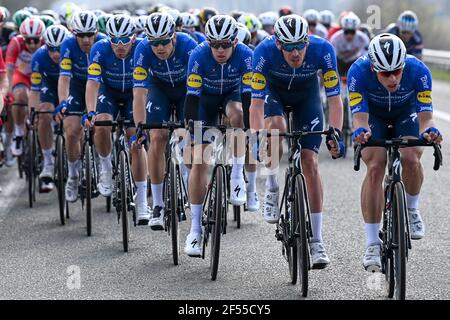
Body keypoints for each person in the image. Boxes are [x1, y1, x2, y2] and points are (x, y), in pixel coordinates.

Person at [249, 15, 345, 269]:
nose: (295, 52)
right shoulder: (263, 51)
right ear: (278, 44)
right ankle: (271, 187)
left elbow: (335, 99)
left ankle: (317, 239)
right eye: (289, 47)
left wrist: (335, 132)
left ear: (307, 42)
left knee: (310, 162)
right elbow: (256, 104)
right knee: (276, 130)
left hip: (307, 97)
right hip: (274, 94)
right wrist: (257, 135)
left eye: (300, 45)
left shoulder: (323, 50)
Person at [348, 33, 442, 271]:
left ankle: (411, 208)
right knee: (376, 165)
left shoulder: (418, 71)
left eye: (397, 71)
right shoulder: (358, 73)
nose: (392, 78)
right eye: (385, 73)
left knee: (411, 158)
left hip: (406, 113)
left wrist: (430, 131)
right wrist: (360, 132)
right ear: (373, 67)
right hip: (374, 116)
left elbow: (426, 118)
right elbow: (359, 119)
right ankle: (371, 242)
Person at [183, 15, 256, 257]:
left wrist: (247, 130)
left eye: (225, 44)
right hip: (204, 100)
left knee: (238, 115)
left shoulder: (246, 55)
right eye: (215, 44)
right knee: (200, 161)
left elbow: (248, 98)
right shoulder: (197, 55)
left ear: (235, 42)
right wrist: (194, 132)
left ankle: (236, 176)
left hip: (231, 95)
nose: (220, 50)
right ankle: (194, 230)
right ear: (208, 42)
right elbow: (191, 99)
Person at [132, 13, 197, 227]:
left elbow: (196, 90)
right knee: (157, 136)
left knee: (186, 136)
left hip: (185, 91)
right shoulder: (141, 50)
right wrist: (140, 127)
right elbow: (139, 93)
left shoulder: (188, 45)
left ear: (174, 37)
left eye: (164, 42)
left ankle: (190, 181)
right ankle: (158, 203)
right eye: (154, 43)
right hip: (158, 89)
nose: (160, 48)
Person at [82, 15, 140, 200]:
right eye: (115, 39)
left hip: (134, 93)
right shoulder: (99, 48)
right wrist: (91, 112)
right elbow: (92, 83)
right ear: (109, 38)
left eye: (125, 39)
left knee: (135, 133)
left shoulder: (142, 48)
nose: (120, 45)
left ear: (133, 37)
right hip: (109, 92)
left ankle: (136, 177)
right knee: (102, 124)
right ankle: (106, 168)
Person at [53, 10, 106, 203]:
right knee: (72, 130)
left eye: (89, 34)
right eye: (80, 35)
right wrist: (63, 103)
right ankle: (74, 175)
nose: (85, 39)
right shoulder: (67, 45)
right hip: (77, 87)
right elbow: (64, 78)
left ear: (96, 31)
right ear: (73, 33)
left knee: (103, 124)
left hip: (101, 86)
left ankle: (104, 163)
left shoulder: (103, 43)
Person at [29, 25, 70, 192]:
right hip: (49, 86)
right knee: (43, 113)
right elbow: (35, 89)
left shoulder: (72, 53)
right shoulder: (39, 56)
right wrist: (33, 113)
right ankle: (48, 162)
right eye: (51, 48)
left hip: (70, 86)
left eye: (59, 48)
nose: (55, 53)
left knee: (72, 117)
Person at [5, 17, 45, 158]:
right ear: (23, 37)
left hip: (41, 76)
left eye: (36, 40)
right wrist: (9, 91)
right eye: (28, 40)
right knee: (19, 97)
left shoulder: (46, 43)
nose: (32, 44)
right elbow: (9, 70)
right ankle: (18, 133)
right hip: (21, 75)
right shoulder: (16, 42)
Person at [330, 13, 369, 78]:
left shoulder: (363, 38)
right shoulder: (335, 38)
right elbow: (332, 56)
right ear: (343, 29)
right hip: (340, 62)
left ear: (356, 29)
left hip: (355, 61)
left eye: (352, 32)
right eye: (346, 32)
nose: (349, 35)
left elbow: (366, 55)